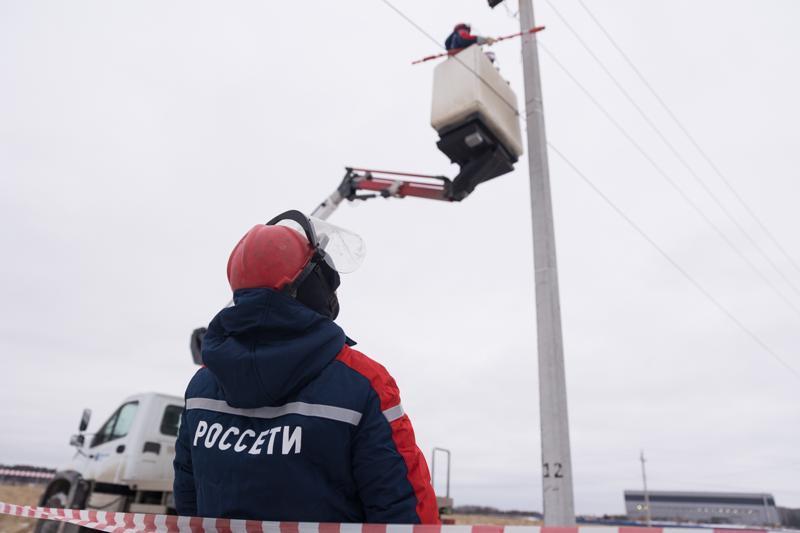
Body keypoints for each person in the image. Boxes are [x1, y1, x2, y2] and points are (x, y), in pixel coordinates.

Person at [173, 210, 440, 524]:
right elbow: (403, 510)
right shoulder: (363, 383)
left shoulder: (202, 386)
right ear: (313, 285)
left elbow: (188, 502)